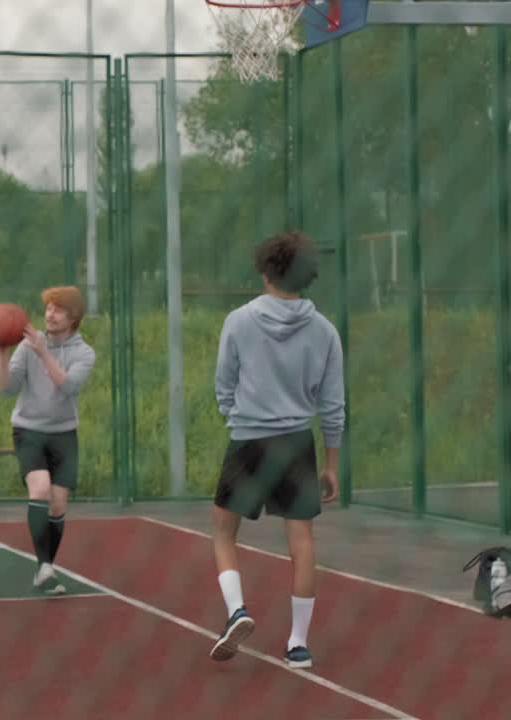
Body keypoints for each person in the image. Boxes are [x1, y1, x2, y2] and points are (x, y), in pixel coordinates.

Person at [208, 230, 345, 669]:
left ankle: (238, 611)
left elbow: (223, 384)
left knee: (224, 532)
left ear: (265, 271)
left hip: (248, 440)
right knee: (302, 542)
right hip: (296, 444)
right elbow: (333, 405)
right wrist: (331, 464)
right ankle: (298, 644)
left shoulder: (240, 321)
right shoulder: (325, 331)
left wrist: (240, 418)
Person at [0, 286, 97, 595]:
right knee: (39, 489)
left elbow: (67, 387)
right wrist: (1, 353)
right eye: (48, 308)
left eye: (58, 309)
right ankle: (46, 567)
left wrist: (43, 352)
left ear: (73, 317)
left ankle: (44, 568)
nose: (50, 314)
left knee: (58, 504)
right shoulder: (28, 347)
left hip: (64, 434)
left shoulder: (84, 353)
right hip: (29, 431)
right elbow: (6, 389)